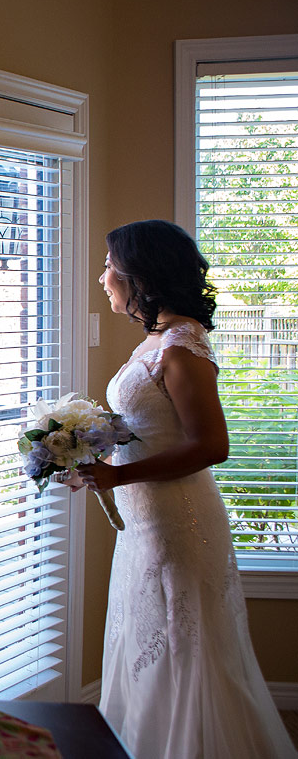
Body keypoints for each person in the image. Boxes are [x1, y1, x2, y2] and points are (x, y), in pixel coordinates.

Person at [72, 219, 296, 758]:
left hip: (179, 522)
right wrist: (92, 443)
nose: (103, 278)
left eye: (109, 267)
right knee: (152, 644)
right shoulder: (157, 339)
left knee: (182, 647)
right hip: (147, 524)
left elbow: (211, 446)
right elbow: (155, 428)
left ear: (138, 275)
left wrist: (119, 474)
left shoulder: (183, 345)